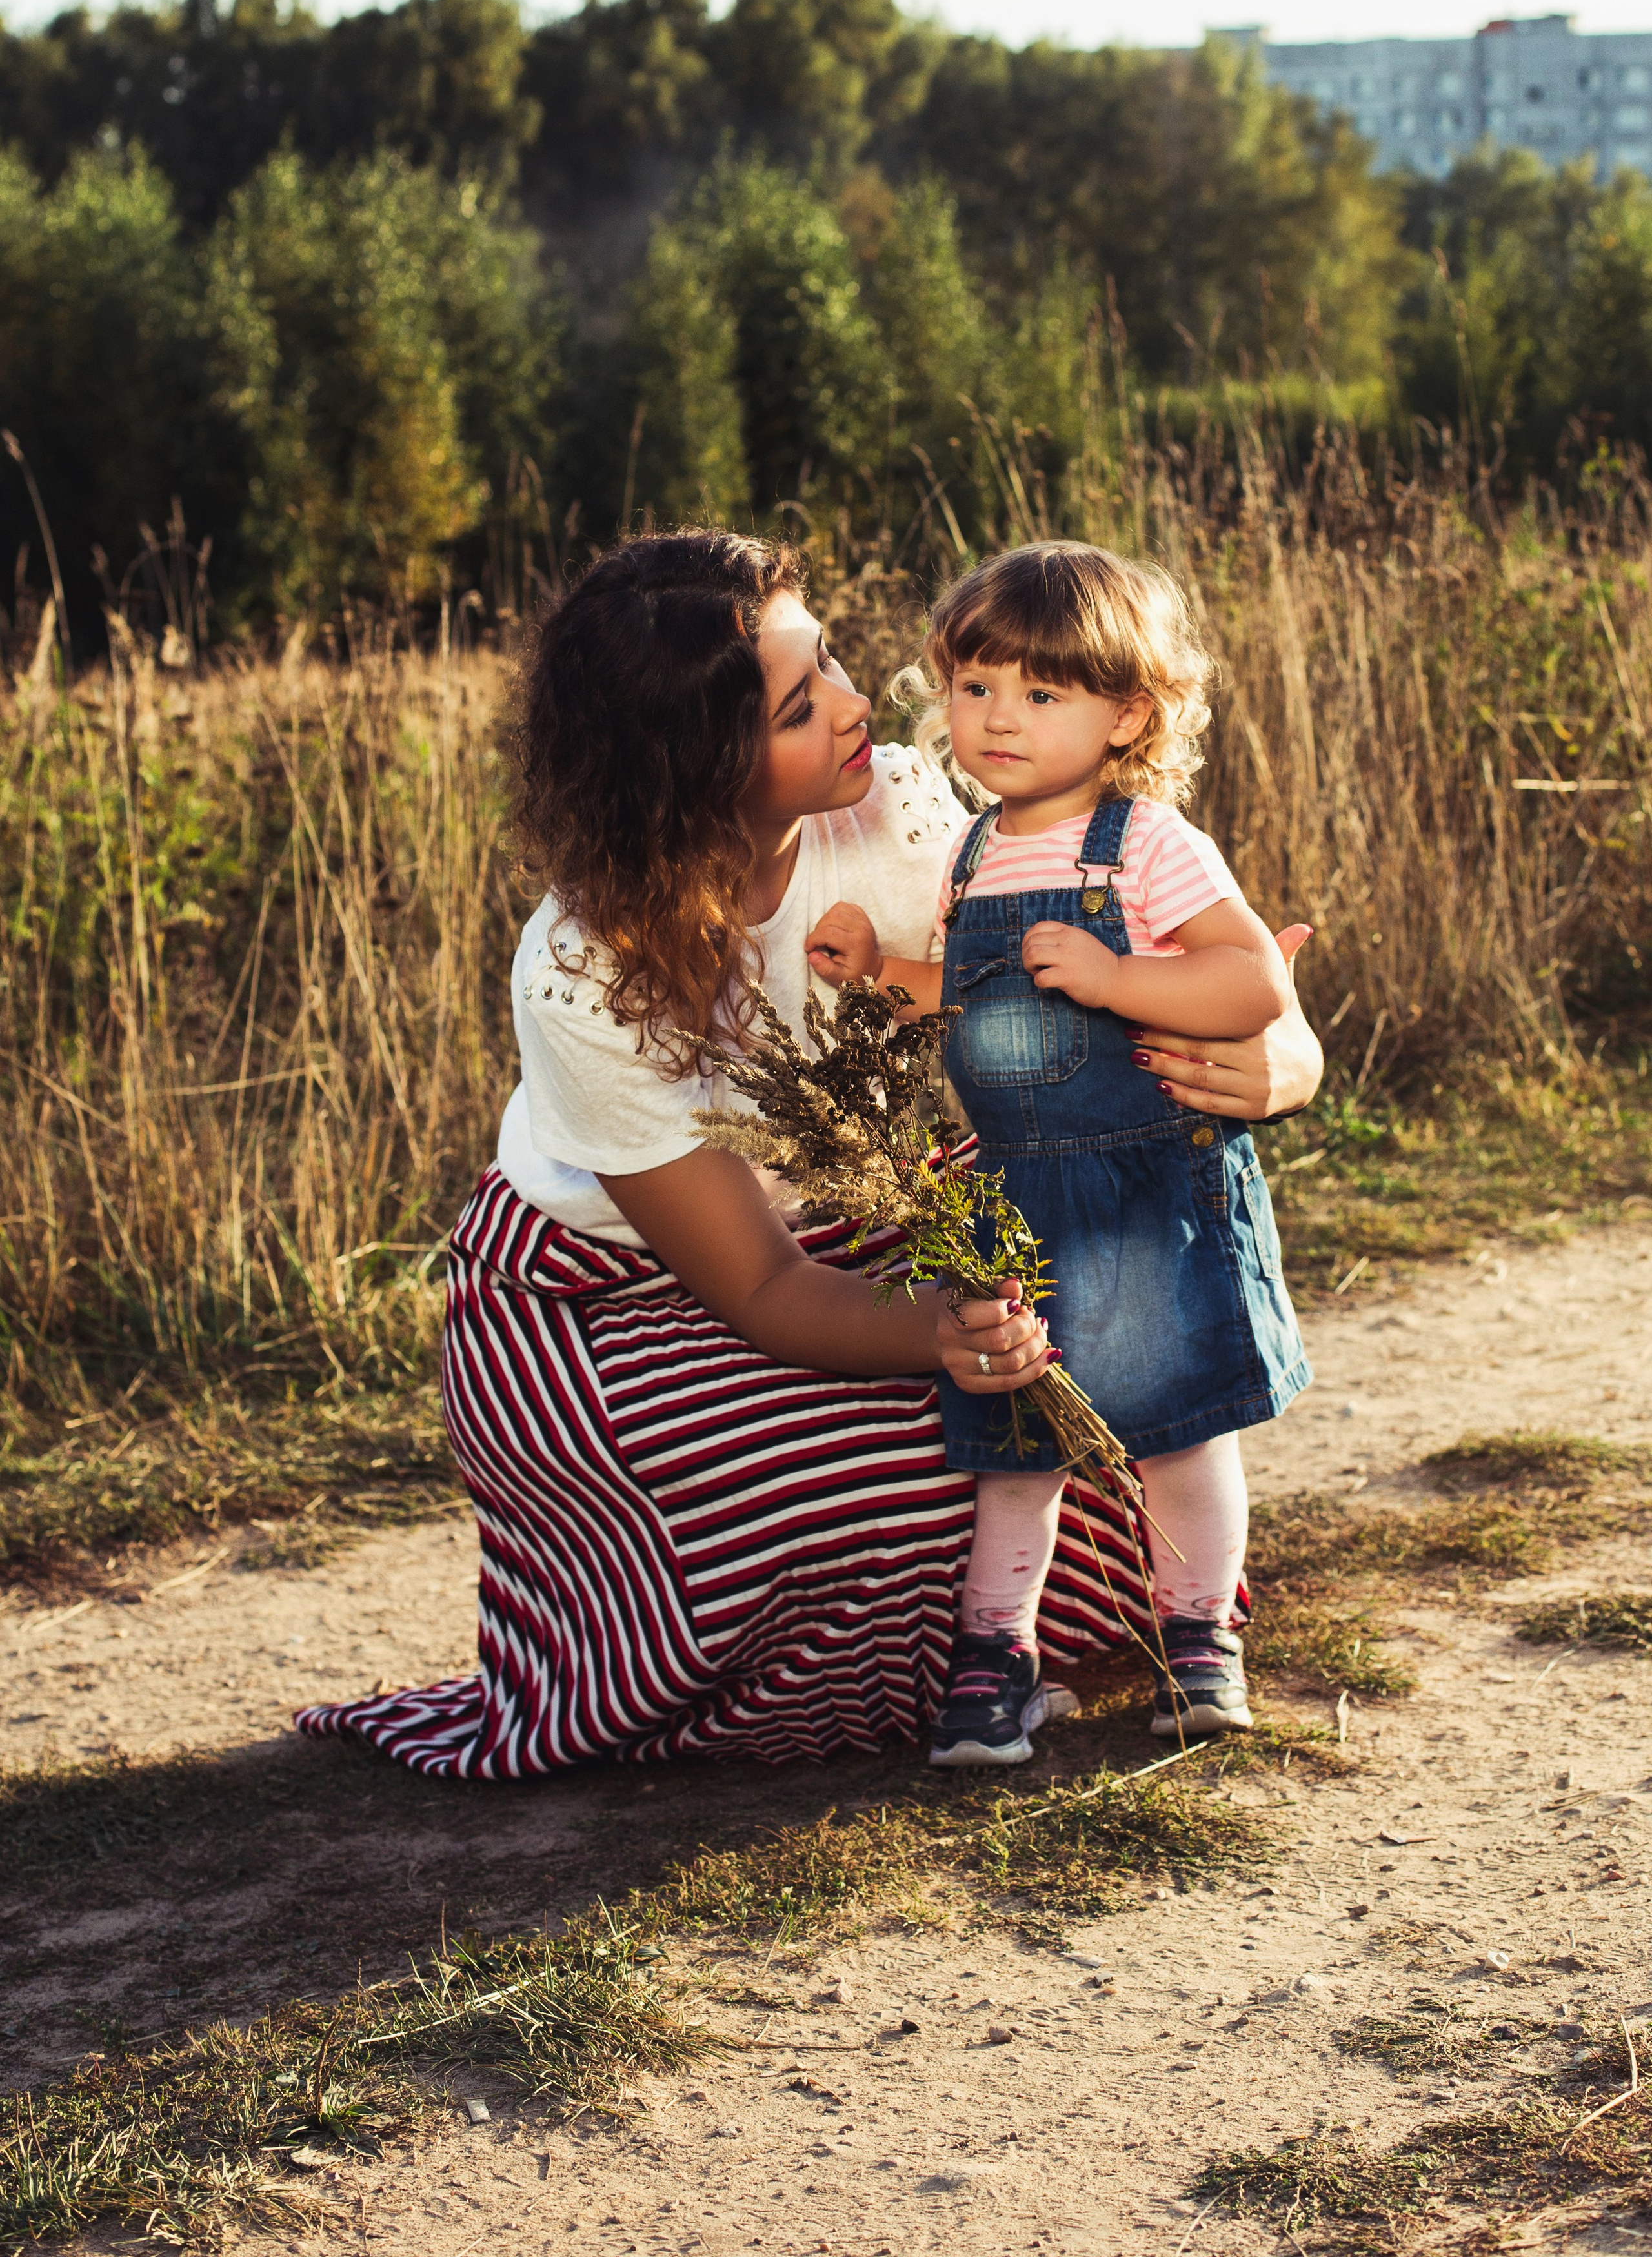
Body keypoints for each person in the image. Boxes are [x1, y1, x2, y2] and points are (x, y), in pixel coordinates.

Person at [297, 531, 1322, 1779]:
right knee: (863, 1511)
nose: (854, 703)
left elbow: (1166, 951)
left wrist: (1287, 1062)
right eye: (800, 704)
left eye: (828, 656)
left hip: (890, 1227)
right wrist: (951, 1334)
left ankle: (1041, 1635)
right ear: (697, 765)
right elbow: (765, 1287)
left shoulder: (912, 808)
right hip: (619, 1296)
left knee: (1108, 1433)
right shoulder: (581, 968)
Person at [807, 542, 1311, 1765]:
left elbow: (1250, 978)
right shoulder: (975, 849)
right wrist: (884, 974)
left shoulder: (1148, 843)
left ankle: (1197, 1637)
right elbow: (976, 996)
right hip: (1014, 1199)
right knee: (1014, 1441)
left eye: (1043, 695)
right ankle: (998, 1658)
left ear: (1127, 712)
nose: (999, 720)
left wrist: (1116, 975)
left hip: (1148, 1185)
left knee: (1179, 1425)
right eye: (977, 688)